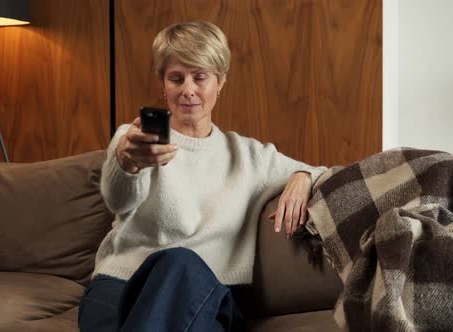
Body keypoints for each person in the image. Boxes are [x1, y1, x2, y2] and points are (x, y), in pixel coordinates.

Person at [78, 20, 326, 332]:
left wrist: (303, 176)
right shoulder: (134, 140)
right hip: (119, 288)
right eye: (176, 78)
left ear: (220, 81)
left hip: (205, 295)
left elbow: (326, 174)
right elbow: (119, 197)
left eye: (200, 77)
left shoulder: (250, 158)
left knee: (180, 262)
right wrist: (127, 164)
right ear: (163, 83)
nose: (188, 90)